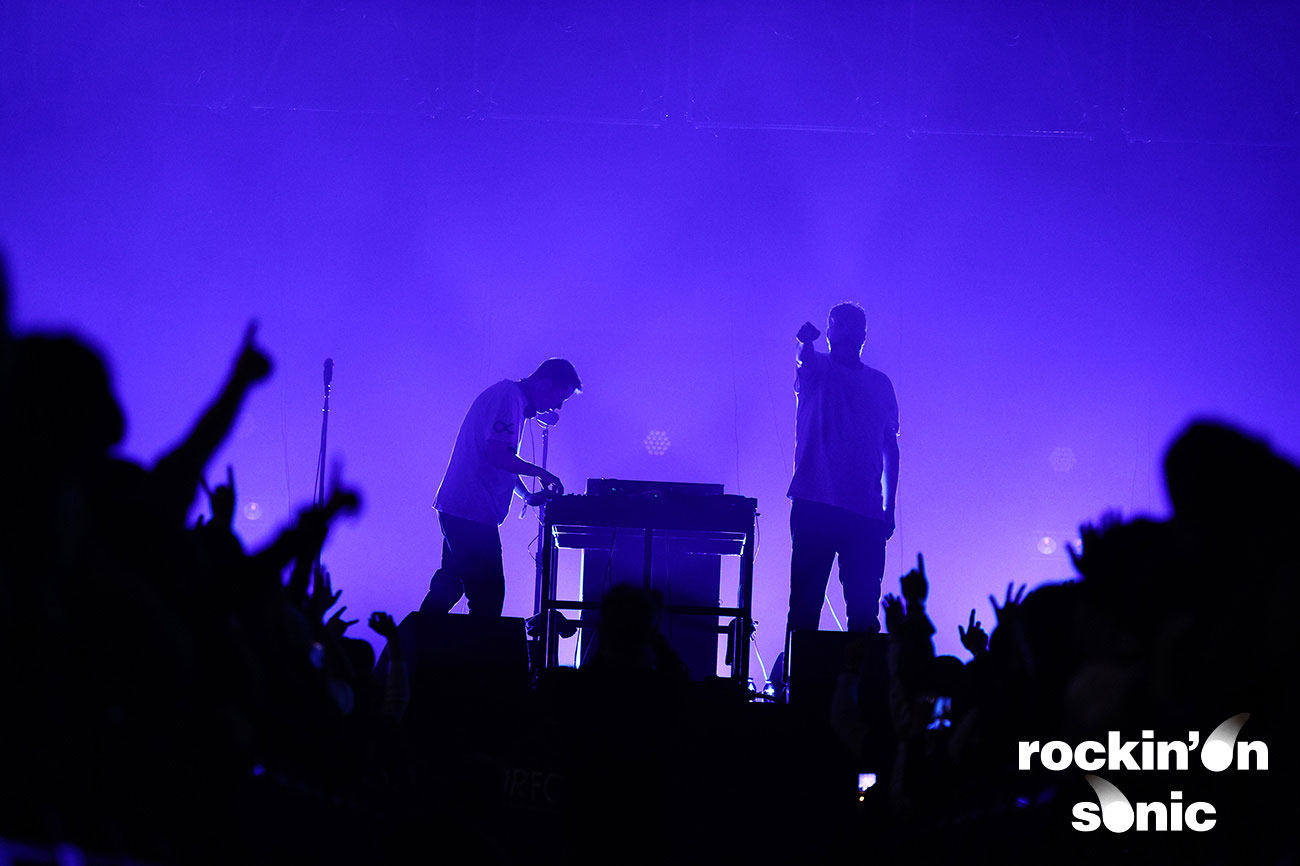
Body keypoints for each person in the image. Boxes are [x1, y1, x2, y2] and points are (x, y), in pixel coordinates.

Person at [419, 358, 581, 617]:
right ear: (545, 383)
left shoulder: (511, 399)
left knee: (449, 586)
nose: (558, 406)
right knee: (488, 596)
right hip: (470, 512)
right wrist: (541, 472)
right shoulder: (508, 399)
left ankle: (411, 640)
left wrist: (526, 496)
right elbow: (499, 457)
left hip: (462, 509)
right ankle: (461, 645)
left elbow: (500, 459)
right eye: (559, 397)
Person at [786, 302, 899, 637]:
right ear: (830, 333)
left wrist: (888, 508)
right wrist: (804, 342)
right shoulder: (818, 369)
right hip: (817, 505)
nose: (848, 334)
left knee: (862, 615)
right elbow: (803, 359)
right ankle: (804, 670)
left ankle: (852, 673)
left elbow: (890, 447)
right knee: (806, 609)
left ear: (863, 335)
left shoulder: (880, 384)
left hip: (862, 512)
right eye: (840, 326)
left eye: (854, 327)